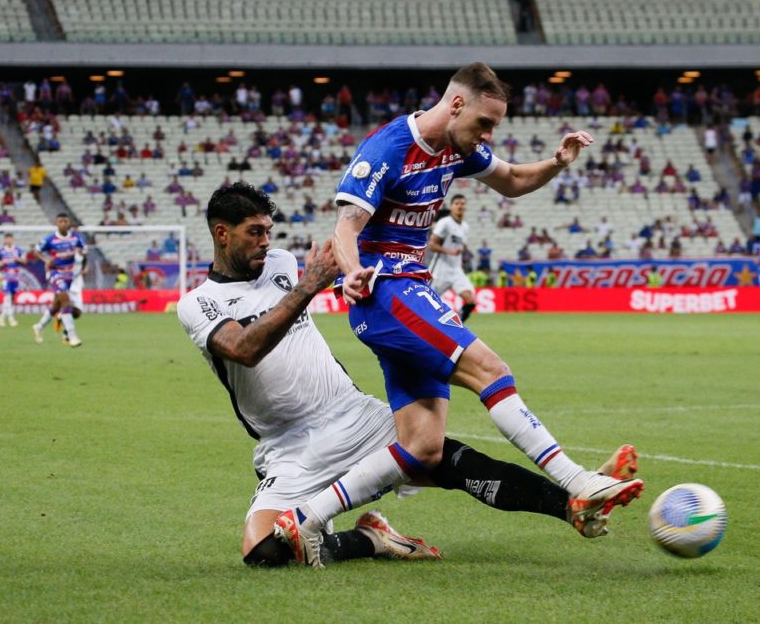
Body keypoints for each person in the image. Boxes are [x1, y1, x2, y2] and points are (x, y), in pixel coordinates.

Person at [274, 63, 644, 567]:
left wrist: (557, 161)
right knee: (491, 369)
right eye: (485, 124)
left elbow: (512, 180)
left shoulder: (458, 147)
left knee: (422, 446)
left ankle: (304, 520)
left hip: (408, 293)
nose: (488, 136)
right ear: (455, 105)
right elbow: (345, 226)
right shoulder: (387, 150)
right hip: (386, 289)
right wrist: (355, 269)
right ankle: (577, 480)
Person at [177, 183, 638, 567]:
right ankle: (372, 540)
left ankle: (572, 504)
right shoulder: (198, 302)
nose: (265, 241)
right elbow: (244, 349)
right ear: (222, 234)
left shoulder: (280, 263)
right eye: (253, 232)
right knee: (262, 554)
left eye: (267, 231)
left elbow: (341, 270)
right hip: (287, 447)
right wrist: (307, 286)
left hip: (348, 412)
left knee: (445, 459)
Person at [33, 214, 85, 347]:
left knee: (56, 305)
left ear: (69, 222)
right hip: (55, 273)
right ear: (56, 223)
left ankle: (38, 327)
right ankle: (72, 336)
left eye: (65, 221)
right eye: (60, 221)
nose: (63, 223)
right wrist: (46, 260)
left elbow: (84, 249)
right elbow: (37, 250)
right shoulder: (50, 239)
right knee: (66, 301)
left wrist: (82, 252)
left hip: (69, 274)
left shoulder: (75, 237)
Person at [428, 194, 477, 322]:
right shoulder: (445, 223)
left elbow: (460, 245)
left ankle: (457, 325)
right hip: (440, 269)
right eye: (457, 203)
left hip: (456, 269)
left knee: (470, 300)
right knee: (427, 303)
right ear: (451, 207)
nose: (460, 206)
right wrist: (449, 251)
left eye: (462, 203)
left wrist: (463, 250)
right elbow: (432, 245)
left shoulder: (465, 227)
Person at [0, 234, 26, 327]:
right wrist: (0, 263)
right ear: (5, 240)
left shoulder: (18, 250)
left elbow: (24, 261)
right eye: (7, 239)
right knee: (7, 297)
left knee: (12, 298)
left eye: (10, 238)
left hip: (15, 276)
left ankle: (2, 317)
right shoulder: (1, 251)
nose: (9, 240)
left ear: (13, 239)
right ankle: (11, 318)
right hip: (5, 276)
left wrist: (18, 259)